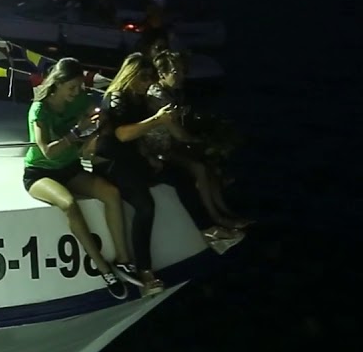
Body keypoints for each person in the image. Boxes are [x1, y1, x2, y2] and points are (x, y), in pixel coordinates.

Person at [93, 54, 243, 276]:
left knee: (181, 177)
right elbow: (123, 134)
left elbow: (139, 136)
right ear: (131, 76)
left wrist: (149, 155)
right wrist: (158, 120)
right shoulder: (116, 98)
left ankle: (210, 230)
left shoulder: (139, 98)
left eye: (150, 79)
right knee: (145, 206)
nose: (147, 84)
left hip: (133, 158)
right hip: (112, 161)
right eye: (144, 79)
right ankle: (144, 269)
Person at [23, 57, 136, 300]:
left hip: (70, 166)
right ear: (58, 84)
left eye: (80, 87)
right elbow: (47, 151)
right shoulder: (40, 109)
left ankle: (124, 260)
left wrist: (94, 134)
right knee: (69, 204)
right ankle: (104, 270)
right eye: (71, 88)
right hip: (40, 172)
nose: (77, 92)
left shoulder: (81, 100)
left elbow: (100, 120)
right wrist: (76, 133)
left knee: (111, 193)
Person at [146, 51, 251, 230]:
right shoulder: (158, 96)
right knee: (199, 167)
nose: (181, 76)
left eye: (182, 71)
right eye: (175, 72)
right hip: (160, 148)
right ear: (162, 73)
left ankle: (224, 209)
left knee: (210, 163)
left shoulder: (173, 92)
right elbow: (178, 133)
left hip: (174, 144)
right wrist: (200, 142)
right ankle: (214, 216)